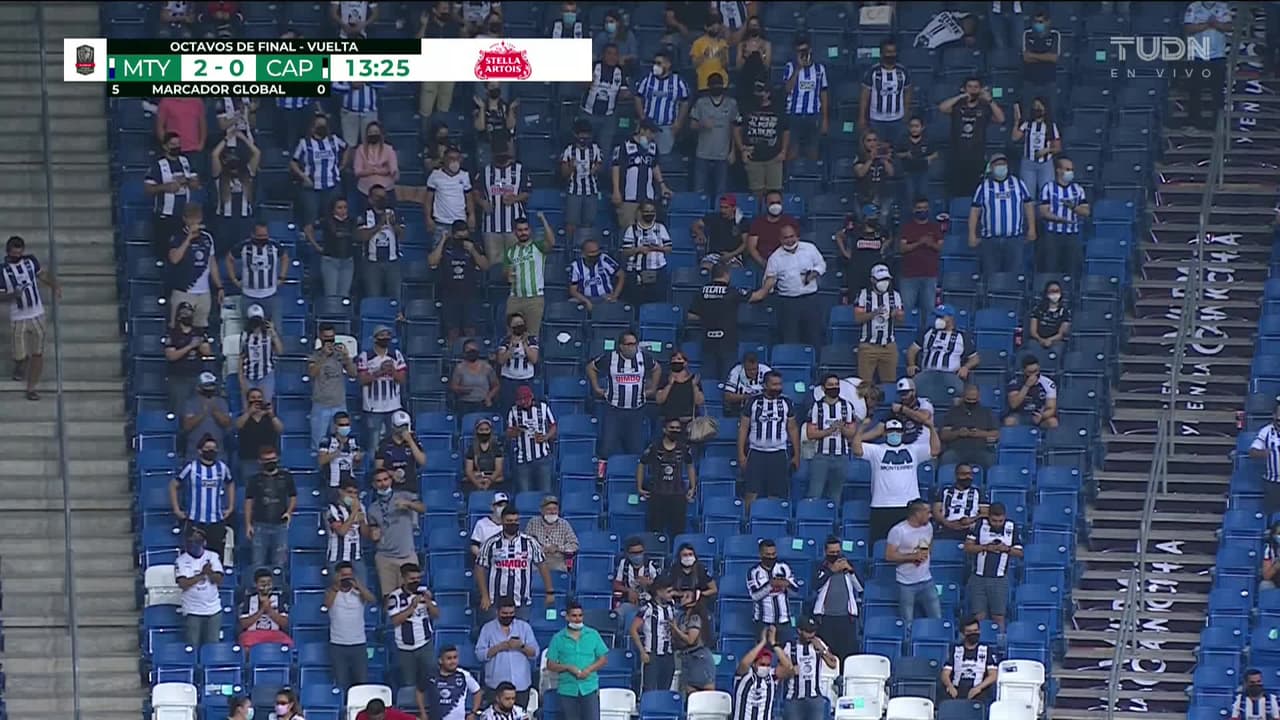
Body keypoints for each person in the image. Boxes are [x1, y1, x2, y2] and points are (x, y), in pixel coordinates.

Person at [854, 418, 939, 543]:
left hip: (908, 505)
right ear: (884, 433)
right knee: (880, 543)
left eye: (898, 431)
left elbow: (935, 450)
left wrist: (931, 428)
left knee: (909, 543)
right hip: (881, 505)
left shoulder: (913, 449)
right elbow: (857, 449)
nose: (895, 433)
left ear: (902, 433)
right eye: (891, 431)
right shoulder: (876, 450)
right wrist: (861, 429)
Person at [749, 223, 826, 348]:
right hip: (788, 303)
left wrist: (814, 273)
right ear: (780, 239)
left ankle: (815, 359)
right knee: (790, 338)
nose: (790, 240)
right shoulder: (775, 258)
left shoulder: (810, 248)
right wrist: (770, 283)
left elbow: (821, 264)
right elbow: (768, 282)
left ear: (797, 236)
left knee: (814, 336)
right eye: (786, 238)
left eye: (792, 236)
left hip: (811, 300)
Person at [588, 330, 662, 458]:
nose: (633, 347)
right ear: (621, 346)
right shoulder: (610, 358)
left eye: (635, 344)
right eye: (629, 344)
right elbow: (591, 367)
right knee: (607, 448)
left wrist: (653, 389)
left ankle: (633, 470)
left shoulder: (644, 357)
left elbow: (657, 368)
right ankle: (604, 470)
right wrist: (596, 388)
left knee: (636, 449)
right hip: (614, 410)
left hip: (636, 411)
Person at [2, 235, 59, 400]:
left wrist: (55, 285)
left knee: (38, 353)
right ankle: (20, 363)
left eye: (19, 253)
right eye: (14, 254)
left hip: (37, 315)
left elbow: (42, 275)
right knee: (19, 355)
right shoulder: (2, 270)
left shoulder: (30, 261)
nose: (17, 257)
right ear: (8, 252)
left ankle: (31, 388)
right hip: (18, 317)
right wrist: (12, 295)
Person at [738, 371, 800, 512]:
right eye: (774, 384)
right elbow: (743, 428)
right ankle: (748, 520)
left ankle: (773, 519)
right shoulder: (753, 402)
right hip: (756, 453)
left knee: (776, 494)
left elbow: (793, 429)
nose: (778, 387)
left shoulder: (786, 403)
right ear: (765, 385)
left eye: (780, 384)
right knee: (751, 492)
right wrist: (741, 454)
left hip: (778, 453)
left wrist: (797, 455)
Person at [477, 506, 555, 617]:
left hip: (522, 601)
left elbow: (542, 566)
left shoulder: (530, 542)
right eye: (509, 521)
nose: (513, 524)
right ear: (502, 521)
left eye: (515, 521)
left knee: (521, 628)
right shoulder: (491, 543)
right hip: (496, 601)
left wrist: (549, 591)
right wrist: (484, 595)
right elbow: (479, 568)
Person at [969, 153, 1037, 276]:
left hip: (1014, 239)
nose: (1001, 167)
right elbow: (975, 211)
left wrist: (1032, 228)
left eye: (1003, 164)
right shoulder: (984, 187)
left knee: (1014, 276)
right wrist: (972, 234)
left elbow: (1028, 205)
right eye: (998, 164)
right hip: (990, 240)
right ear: (991, 167)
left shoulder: (1018, 184)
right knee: (990, 276)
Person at [291, 113, 350, 250]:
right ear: (312, 128)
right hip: (312, 188)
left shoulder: (334, 140)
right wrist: (303, 177)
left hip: (332, 185)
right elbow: (293, 162)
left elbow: (348, 148)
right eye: (319, 125)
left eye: (324, 125)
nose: (322, 127)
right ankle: (313, 247)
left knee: (334, 218)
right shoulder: (304, 143)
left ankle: (333, 244)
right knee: (310, 218)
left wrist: (342, 164)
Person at [171, 435, 235, 557]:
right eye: (208, 448)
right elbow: (174, 485)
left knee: (216, 557)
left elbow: (230, 483)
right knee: (193, 557)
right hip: (195, 521)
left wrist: (230, 507)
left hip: (216, 522)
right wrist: (176, 509)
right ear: (200, 451)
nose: (211, 451)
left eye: (214, 448)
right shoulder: (191, 467)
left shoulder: (222, 468)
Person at [939, 78, 1004, 198]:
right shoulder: (958, 106)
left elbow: (1001, 119)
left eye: (976, 87)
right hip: (957, 157)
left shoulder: (984, 107)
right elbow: (942, 108)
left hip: (977, 158)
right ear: (964, 89)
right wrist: (961, 96)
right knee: (956, 193)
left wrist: (990, 100)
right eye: (969, 86)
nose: (973, 90)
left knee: (976, 193)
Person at [387, 562, 442, 703]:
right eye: (412, 579)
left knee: (431, 679)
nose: (415, 581)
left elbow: (436, 614)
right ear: (404, 578)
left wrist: (428, 602)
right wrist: (412, 607)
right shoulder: (395, 597)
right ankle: (411, 709)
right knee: (409, 684)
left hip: (425, 644)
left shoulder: (424, 592)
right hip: (405, 648)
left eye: (418, 578)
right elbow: (395, 621)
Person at [367, 469, 426, 596]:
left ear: (391, 480)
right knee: (389, 596)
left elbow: (423, 508)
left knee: (411, 594)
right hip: (385, 557)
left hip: (407, 555)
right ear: (374, 484)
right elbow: (373, 530)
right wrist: (373, 533)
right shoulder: (372, 508)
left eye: (385, 479)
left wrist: (408, 504)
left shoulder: (404, 496)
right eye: (379, 481)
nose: (383, 483)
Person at [546, 603, 610, 720]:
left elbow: (603, 659)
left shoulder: (593, 634)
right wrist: (568, 667)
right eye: (574, 616)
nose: (577, 619)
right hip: (567, 689)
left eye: (580, 615)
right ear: (567, 617)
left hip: (589, 688)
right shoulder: (558, 638)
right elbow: (550, 664)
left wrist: (589, 670)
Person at [167, 203, 224, 332]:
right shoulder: (177, 237)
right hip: (183, 291)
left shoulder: (207, 238)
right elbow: (174, 259)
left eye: (197, 218)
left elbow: (212, 263)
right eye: (191, 218)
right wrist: (188, 239)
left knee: (200, 330)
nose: (194, 221)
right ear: (185, 219)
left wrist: (219, 287)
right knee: (179, 329)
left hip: (204, 293)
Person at [688, 261, 748, 383]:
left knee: (708, 380)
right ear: (727, 274)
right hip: (728, 342)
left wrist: (707, 317)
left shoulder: (702, 291)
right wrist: (768, 284)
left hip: (708, 341)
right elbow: (757, 296)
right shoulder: (732, 291)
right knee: (728, 379)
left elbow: (690, 316)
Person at [964, 503, 1023, 628]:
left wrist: (1006, 549)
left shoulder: (1011, 527)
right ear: (989, 517)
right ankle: (980, 639)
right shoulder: (979, 524)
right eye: (994, 521)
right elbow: (968, 547)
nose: (997, 524)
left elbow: (1019, 552)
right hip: (978, 578)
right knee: (978, 617)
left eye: (1000, 521)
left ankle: (999, 640)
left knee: (998, 617)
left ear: (1005, 517)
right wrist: (985, 547)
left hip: (999, 579)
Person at [429, 220, 489, 342]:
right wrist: (443, 240)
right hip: (449, 295)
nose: (462, 240)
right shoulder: (446, 245)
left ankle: (471, 352)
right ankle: (452, 353)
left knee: (470, 329)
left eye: (464, 237)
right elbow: (432, 261)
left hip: (470, 294)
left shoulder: (473, 245)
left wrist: (473, 251)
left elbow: (485, 266)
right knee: (452, 331)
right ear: (453, 234)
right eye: (459, 237)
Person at [638, 418, 698, 536]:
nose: (675, 431)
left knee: (678, 532)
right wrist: (639, 487)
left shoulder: (684, 448)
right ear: (664, 430)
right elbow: (641, 464)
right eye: (672, 428)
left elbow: (690, 465)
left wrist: (693, 487)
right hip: (657, 495)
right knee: (655, 532)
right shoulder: (654, 447)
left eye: (677, 428)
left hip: (678, 496)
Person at [476, 142, 533, 267]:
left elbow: (527, 192)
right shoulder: (485, 171)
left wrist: (515, 199)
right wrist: (482, 202)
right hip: (491, 226)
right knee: (494, 264)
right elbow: (475, 192)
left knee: (516, 262)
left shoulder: (520, 170)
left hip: (514, 226)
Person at [906, 304, 980, 400]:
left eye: (941, 317)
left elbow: (975, 358)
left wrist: (966, 367)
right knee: (909, 389)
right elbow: (912, 350)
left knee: (959, 393)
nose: (938, 319)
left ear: (951, 318)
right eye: (937, 316)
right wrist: (911, 365)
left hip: (950, 374)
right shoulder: (928, 332)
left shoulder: (962, 336)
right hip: (927, 373)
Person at [475, 598, 539, 706]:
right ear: (497, 612)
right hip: (496, 686)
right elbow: (479, 655)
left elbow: (535, 653)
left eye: (511, 613)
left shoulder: (524, 627)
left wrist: (521, 646)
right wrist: (500, 647)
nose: (508, 616)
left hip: (520, 686)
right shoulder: (487, 628)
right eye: (504, 613)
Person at [736, 81, 790, 209]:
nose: (758, 94)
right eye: (756, 91)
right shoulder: (747, 107)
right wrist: (741, 149)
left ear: (768, 93)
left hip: (774, 157)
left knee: (774, 192)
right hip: (753, 157)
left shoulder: (778, 109)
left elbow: (786, 131)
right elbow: (736, 128)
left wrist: (783, 151)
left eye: (761, 91)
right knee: (756, 193)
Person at [886, 499, 941, 623]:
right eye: (927, 512)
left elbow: (928, 542)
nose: (930, 515)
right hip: (906, 584)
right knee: (907, 622)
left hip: (927, 580)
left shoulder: (928, 527)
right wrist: (912, 557)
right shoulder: (898, 531)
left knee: (936, 619)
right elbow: (889, 556)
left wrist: (924, 552)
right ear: (917, 513)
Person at [810, 537, 863, 663]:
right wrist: (831, 571)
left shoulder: (847, 566)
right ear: (826, 552)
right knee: (827, 653)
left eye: (837, 552)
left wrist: (851, 571)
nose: (835, 555)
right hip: (825, 618)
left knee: (846, 653)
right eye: (832, 552)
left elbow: (860, 587)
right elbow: (815, 586)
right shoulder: (820, 567)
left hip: (846, 618)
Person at [806, 373, 858, 500]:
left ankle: (833, 513)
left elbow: (852, 433)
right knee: (815, 493)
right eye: (830, 385)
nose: (834, 387)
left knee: (836, 494)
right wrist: (830, 430)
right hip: (821, 456)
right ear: (823, 388)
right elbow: (810, 434)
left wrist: (842, 428)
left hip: (842, 456)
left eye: (836, 384)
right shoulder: (816, 407)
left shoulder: (847, 406)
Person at [244, 445, 296, 571]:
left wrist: (289, 512)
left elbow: (293, 496)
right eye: (267, 460)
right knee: (257, 562)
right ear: (260, 461)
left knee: (279, 563)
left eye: (273, 459)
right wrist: (248, 525)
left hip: (280, 525)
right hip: (259, 525)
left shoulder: (286, 476)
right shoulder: (254, 479)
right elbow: (249, 502)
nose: (270, 462)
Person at [1182, 0, 1232, 130]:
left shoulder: (1223, 7)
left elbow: (1228, 27)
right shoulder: (1193, 7)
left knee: (1218, 91)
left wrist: (1215, 24)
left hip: (1218, 56)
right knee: (1195, 90)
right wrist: (1208, 25)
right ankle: (1194, 121)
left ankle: (1217, 123)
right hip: (1197, 55)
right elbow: (1188, 28)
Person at [326, 560, 375, 691]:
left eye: (349, 575)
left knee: (362, 683)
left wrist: (358, 585)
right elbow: (327, 605)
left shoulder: (359, 593)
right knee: (341, 683)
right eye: (343, 575)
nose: (347, 578)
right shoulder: (331, 593)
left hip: (359, 644)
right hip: (338, 645)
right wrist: (337, 585)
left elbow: (372, 599)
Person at [504, 213, 555, 337]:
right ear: (515, 232)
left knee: (532, 336)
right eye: (520, 230)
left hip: (534, 298)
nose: (523, 233)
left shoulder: (537, 246)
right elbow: (506, 273)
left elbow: (551, 242)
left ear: (530, 230)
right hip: (515, 298)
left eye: (526, 229)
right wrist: (508, 274)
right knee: (511, 335)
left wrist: (543, 220)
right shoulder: (510, 251)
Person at [612, 120, 670, 229]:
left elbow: (654, 166)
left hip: (648, 199)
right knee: (628, 229)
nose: (653, 136)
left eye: (654, 133)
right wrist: (616, 191)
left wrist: (662, 185)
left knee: (647, 229)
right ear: (642, 130)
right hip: (628, 197)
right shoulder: (624, 145)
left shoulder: (653, 147)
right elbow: (616, 167)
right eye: (650, 132)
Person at [357, 325, 407, 450]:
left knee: (393, 442)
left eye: (387, 335)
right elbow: (362, 380)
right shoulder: (366, 355)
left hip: (393, 406)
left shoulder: (396, 355)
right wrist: (380, 371)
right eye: (382, 335)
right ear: (375, 338)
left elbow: (402, 379)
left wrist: (392, 371)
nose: (385, 338)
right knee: (374, 444)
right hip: (373, 407)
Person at [225, 222, 288, 323]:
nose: (262, 238)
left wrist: (282, 277)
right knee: (248, 326)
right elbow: (229, 258)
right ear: (253, 234)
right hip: (248, 295)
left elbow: (285, 257)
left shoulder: (275, 246)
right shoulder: (244, 246)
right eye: (259, 236)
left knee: (274, 327)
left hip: (270, 295)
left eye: (265, 235)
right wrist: (234, 279)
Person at [1038, 156, 1090, 276]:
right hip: (1053, 235)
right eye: (1067, 169)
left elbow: (1086, 211)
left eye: (1071, 169)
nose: (1070, 172)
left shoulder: (1078, 189)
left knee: (1072, 269)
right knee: (1051, 267)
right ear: (1058, 170)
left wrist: (1073, 207)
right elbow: (1043, 211)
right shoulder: (1048, 188)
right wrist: (1060, 219)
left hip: (1072, 235)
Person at [690, 73, 738, 200]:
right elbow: (692, 125)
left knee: (722, 192)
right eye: (713, 85)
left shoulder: (731, 103)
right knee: (699, 191)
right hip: (703, 154)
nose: (716, 87)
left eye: (718, 84)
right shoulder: (701, 103)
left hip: (723, 154)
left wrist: (733, 151)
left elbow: (735, 128)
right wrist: (702, 124)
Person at [854, 263, 904, 384]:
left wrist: (895, 314)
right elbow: (858, 319)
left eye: (886, 279)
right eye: (881, 279)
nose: (884, 282)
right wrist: (874, 313)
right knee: (865, 385)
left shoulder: (895, 296)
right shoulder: (863, 295)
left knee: (889, 384)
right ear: (872, 280)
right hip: (868, 346)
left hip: (888, 346)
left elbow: (901, 319)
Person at [782, 617, 839, 720]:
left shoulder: (818, 642)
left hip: (815, 697)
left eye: (813, 631)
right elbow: (781, 672)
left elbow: (833, 664)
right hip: (794, 698)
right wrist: (791, 671)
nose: (811, 635)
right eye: (808, 632)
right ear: (799, 631)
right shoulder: (789, 647)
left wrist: (822, 650)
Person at [175, 527, 224, 647]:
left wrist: (210, 573)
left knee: (212, 647)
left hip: (213, 610)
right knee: (193, 646)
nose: (194, 544)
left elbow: (219, 580)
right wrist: (202, 575)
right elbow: (183, 584)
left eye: (198, 541)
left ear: (204, 542)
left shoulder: (213, 556)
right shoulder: (181, 560)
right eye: (191, 541)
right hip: (193, 611)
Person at [783, 36, 829, 161]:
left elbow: (824, 94)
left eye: (805, 50)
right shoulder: (790, 67)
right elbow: (787, 89)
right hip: (794, 115)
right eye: (800, 51)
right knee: (793, 150)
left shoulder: (820, 69)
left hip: (813, 115)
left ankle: (812, 172)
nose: (803, 54)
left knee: (813, 150)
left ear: (810, 50)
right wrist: (798, 69)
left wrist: (825, 118)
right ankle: (792, 172)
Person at [358, 184, 407, 303]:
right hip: (372, 263)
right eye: (378, 196)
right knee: (373, 298)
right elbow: (361, 237)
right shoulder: (365, 215)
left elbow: (402, 236)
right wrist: (379, 225)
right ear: (370, 199)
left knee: (394, 299)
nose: (382, 199)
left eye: (384, 196)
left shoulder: (394, 213)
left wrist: (394, 224)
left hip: (393, 263)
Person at [635, 50, 690, 156]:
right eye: (654, 63)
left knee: (663, 157)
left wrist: (679, 123)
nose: (655, 66)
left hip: (666, 127)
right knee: (643, 155)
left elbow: (685, 102)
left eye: (659, 63)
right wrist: (642, 117)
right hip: (647, 127)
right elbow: (638, 97)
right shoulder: (647, 79)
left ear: (668, 64)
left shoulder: (678, 82)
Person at [732, 628, 795, 720]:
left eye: (768, 665)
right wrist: (762, 643)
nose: (765, 667)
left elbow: (789, 668)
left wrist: (773, 643)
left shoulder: (772, 677)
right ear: (754, 663)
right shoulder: (744, 676)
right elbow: (744, 663)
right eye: (762, 664)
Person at [898, 198, 943, 323]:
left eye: (925, 208)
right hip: (909, 276)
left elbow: (940, 247)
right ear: (913, 210)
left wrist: (930, 243)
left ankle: (927, 333)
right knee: (906, 309)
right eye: (919, 208)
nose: (922, 210)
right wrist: (919, 243)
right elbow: (902, 248)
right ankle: (906, 333)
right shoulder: (907, 227)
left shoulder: (935, 227)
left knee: (929, 310)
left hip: (929, 275)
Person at [630, 575, 679, 691]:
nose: (671, 594)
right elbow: (633, 629)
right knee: (650, 689)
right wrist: (642, 652)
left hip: (668, 655)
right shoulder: (647, 608)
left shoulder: (671, 607)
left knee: (665, 688)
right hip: (652, 655)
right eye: (668, 592)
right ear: (659, 592)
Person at [619, 200, 673, 306]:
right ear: (640, 212)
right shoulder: (631, 229)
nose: (649, 214)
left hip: (658, 270)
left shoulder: (660, 228)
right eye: (647, 211)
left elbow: (669, 248)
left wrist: (656, 248)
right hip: (636, 271)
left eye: (652, 211)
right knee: (636, 302)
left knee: (657, 302)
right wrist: (638, 249)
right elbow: (625, 251)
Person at [506, 386, 556, 494]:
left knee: (545, 492)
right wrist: (517, 430)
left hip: (542, 457)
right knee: (525, 493)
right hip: (522, 459)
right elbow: (509, 433)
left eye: (525, 399)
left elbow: (553, 426)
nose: (523, 402)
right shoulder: (513, 411)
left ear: (531, 397)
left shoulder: (543, 407)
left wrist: (546, 437)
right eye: (521, 400)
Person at [837, 202, 890, 305]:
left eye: (876, 215)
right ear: (865, 217)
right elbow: (839, 235)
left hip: (874, 272)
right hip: (857, 271)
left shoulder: (881, 230)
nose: (875, 218)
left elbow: (889, 238)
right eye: (872, 216)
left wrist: (883, 249)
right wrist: (845, 252)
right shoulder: (855, 229)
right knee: (856, 301)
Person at [561, 119, 604, 245]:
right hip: (574, 191)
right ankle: (570, 247)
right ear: (575, 134)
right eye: (581, 134)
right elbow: (563, 174)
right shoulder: (569, 151)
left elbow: (601, 166)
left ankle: (586, 246)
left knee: (588, 223)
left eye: (586, 134)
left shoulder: (595, 149)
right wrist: (571, 167)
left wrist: (596, 169)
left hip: (591, 191)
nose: (584, 137)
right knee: (571, 223)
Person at [860, 39, 911, 145]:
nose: (890, 55)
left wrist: (906, 113)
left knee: (897, 148)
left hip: (897, 119)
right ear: (881, 53)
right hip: (877, 120)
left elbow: (907, 93)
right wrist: (862, 117)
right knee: (877, 148)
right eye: (888, 52)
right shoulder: (872, 71)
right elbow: (865, 96)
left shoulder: (903, 71)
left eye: (893, 52)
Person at [1011, 97, 1061, 204]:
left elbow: (1057, 148)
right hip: (1028, 163)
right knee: (1028, 196)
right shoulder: (1027, 124)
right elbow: (1015, 138)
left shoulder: (1051, 126)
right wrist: (1016, 121)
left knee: (1047, 195)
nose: (1037, 109)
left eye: (1039, 106)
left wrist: (1047, 150)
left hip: (1045, 164)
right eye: (1035, 106)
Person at [165, 301, 212, 412]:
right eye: (184, 312)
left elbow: (207, 352)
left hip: (196, 376)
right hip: (178, 378)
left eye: (189, 312)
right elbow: (171, 356)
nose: (187, 315)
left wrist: (200, 344)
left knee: (197, 408)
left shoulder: (199, 332)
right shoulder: (173, 334)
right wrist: (190, 346)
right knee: (179, 408)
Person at [939, 384, 999, 469]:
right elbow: (943, 435)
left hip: (979, 450)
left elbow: (996, 434)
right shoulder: (953, 412)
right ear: (963, 397)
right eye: (968, 399)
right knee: (946, 458)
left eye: (974, 399)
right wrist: (958, 433)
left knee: (990, 459)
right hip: (957, 450)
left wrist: (979, 433)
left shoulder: (986, 412)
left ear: (979, 397)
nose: (971, 402)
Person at [748, 539, 799, 640]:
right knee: (764, 650)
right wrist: (771, 585)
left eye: (773, 554)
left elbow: (796, 592)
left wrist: (786, 584)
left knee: (785, 649)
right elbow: (755, 596)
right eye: (768, 554)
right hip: (763, 622)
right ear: (761, 554)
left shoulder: (784, 567)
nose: (771, 557)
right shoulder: (754, 572)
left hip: (784, 621)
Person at [940, 617, 1000, 701]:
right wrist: (950, 686)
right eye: (969, 632)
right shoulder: (955, 649)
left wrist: (979, 688)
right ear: (963, 633)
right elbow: (945, 673)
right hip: (956, 689)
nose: (973, 634)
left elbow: (993, 675)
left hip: (978, 690)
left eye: (975, 631)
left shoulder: (986, 649)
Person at [327, 479, 372, 582]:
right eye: (349, 492)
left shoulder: (362, 507)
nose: (352, 496)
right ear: (340, 492)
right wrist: (354, 512)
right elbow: (341, 532)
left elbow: (365, 534)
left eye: (355, 493)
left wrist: (362, 521)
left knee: (361, 588)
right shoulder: (332, 509)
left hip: (356, 557)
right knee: (339, 589)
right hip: (337, 557)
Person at [421, 645, 483, 720]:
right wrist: (423, 712)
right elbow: (419, 691)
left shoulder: (464, 675)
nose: (453, 661)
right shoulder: (431, 675)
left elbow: (477, 692)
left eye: (455, 657)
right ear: (440, 660)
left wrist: (473, 712)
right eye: (449, 658)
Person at [181, 372, 233, 459]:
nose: (209, 388)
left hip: (217, 452)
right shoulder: (190, 403)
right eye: (206, 385)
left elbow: (227, 424)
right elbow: (187, 426)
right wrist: (203, 413)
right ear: (198, 387)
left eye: (211, 385)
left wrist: (215, 411)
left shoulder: (222, 402)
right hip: (194, 452)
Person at [237, 567, 291, 649]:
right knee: (245, 646)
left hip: (274, 634)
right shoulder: (248, 599)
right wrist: (262, 610)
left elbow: (284, 623)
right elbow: (243, 624)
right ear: (256, 584)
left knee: (288, 646)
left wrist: (269, 610)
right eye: (262, 582)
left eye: (269, 582)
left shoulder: (279, 598)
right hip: (253, 634)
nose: (266, 586)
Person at [316, 197, 358, 298]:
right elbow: (308, 228)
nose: (343, 210)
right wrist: (316, 246)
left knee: (344, 295)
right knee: (331, 295)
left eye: (345, 207)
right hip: (331, 261)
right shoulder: (326, 221)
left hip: (348, 261)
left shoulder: (353, 221)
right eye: (339, 207)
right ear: (333, 209)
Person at [523, 496, 578, 573]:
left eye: (555, 509)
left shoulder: (564, 524)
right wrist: (540, 549)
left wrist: (558, 548)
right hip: (538, 561)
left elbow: (574, 545)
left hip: (558, 561)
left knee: (562, 571)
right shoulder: (533, 522)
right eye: (549, 509)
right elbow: (525, 543)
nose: (552, 512)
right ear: (542, 511)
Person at [496, 313, 540, 409]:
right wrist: (511, 348)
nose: (519, 326)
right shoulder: (505, 341)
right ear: (510, 327)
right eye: (516, 324)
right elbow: (501, 361)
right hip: (509, 381)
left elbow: (534, 359)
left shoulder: (531, 340)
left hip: (526, 380)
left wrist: (525, 344)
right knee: (508, 407)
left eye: (521, 323)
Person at [746, 188, 797, 270]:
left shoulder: (790, 222)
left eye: (778, 203)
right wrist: (763, 263)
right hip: (763, 262)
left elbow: (795, 243)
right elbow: (752, 247)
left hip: (786, 262)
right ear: (766, 204)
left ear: (782, 203)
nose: (775, 206)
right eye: (772, 203)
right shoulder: (758, 223)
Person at [568, 240, 625, 311]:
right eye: (592, 252)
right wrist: (586, 301)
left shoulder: (604, 259)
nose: (595, 255)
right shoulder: (575, 266)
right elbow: (573, 290)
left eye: (597, 251)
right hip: (585, 297)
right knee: (571, 304)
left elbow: (621, 275)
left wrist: (615, 295)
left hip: (605, 297)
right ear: (583, 253)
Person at [896, 119, 938, 214]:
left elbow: (936, 154)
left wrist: (929, 158)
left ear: (922, 127)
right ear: (908, 128)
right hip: (908, 172)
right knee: (910, 195)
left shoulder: (927, 140)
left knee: (923, 194)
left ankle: (924, 215)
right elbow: (897, 154)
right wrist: (906, 154)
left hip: (923, 172)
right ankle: (911, 215)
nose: (914, 129)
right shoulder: (904, 140)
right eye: (912, 126)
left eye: (916, 126)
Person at [376, 410, 427, 489]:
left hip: (410, 488)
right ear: (393, 426)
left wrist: (410, 441)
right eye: (400, 426)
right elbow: (378, 467)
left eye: (405, 426)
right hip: (390, 488)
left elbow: (422, 462)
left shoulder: (414, 441)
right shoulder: (384, 444)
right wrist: (392, 473)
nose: (403, 429)